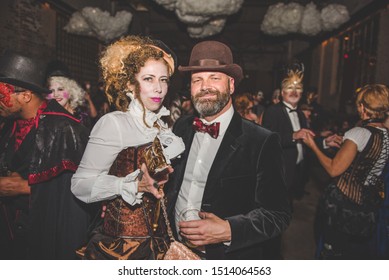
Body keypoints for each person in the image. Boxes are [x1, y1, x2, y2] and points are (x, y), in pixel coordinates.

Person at [165, 40, 291, 260]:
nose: (205, 86)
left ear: (231, 85)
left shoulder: (262, 141)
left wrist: (228, 230)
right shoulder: (182, 127)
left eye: (214, 78)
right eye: (197, 80)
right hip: (175, 250)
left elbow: (278, 214)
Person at [71, 35, 185, 260]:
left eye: (163, 80)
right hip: (122, 249)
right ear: (130, 84)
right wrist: (131, 184)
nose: (159, 89)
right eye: (148, 79)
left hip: (158, 244)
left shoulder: (161, 126)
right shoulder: (114, 123)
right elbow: (80, 185)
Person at [0, 51, 91, 259]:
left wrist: (24, 187)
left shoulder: (66, 129)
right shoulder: (8, 125)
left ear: (25, 96)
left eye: (1, 95)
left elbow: (80, 191)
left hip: (47, 240)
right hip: (13, 239)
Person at [303, 84, 389, 259]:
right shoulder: (385, 133)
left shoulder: (358, 132)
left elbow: (334, 169)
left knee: (333, 251)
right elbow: (369, 156)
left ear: (363, 107)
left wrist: (313, 146)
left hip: (343, 205)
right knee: (354, 253)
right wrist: (347, 145)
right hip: (367, 204)